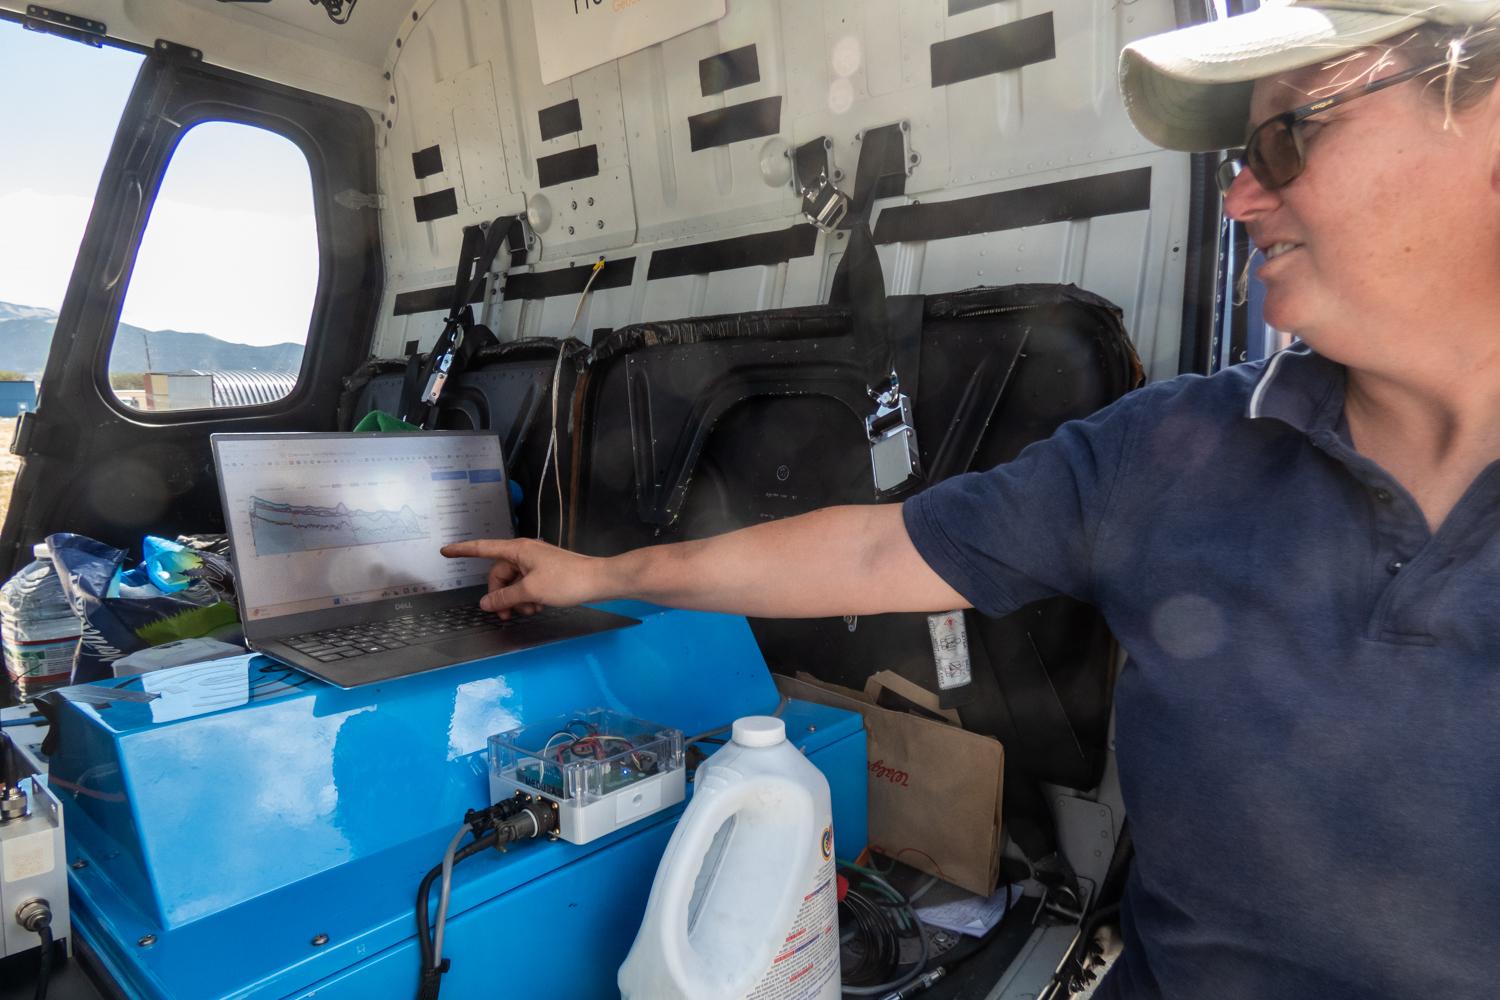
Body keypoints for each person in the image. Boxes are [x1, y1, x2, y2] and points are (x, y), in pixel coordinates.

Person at [444, 2, 1500, 995]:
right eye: (1238, 159)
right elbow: (869, 556)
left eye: (1285, 140)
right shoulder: (1177, 451)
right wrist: (605, 572)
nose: (1238, 199)